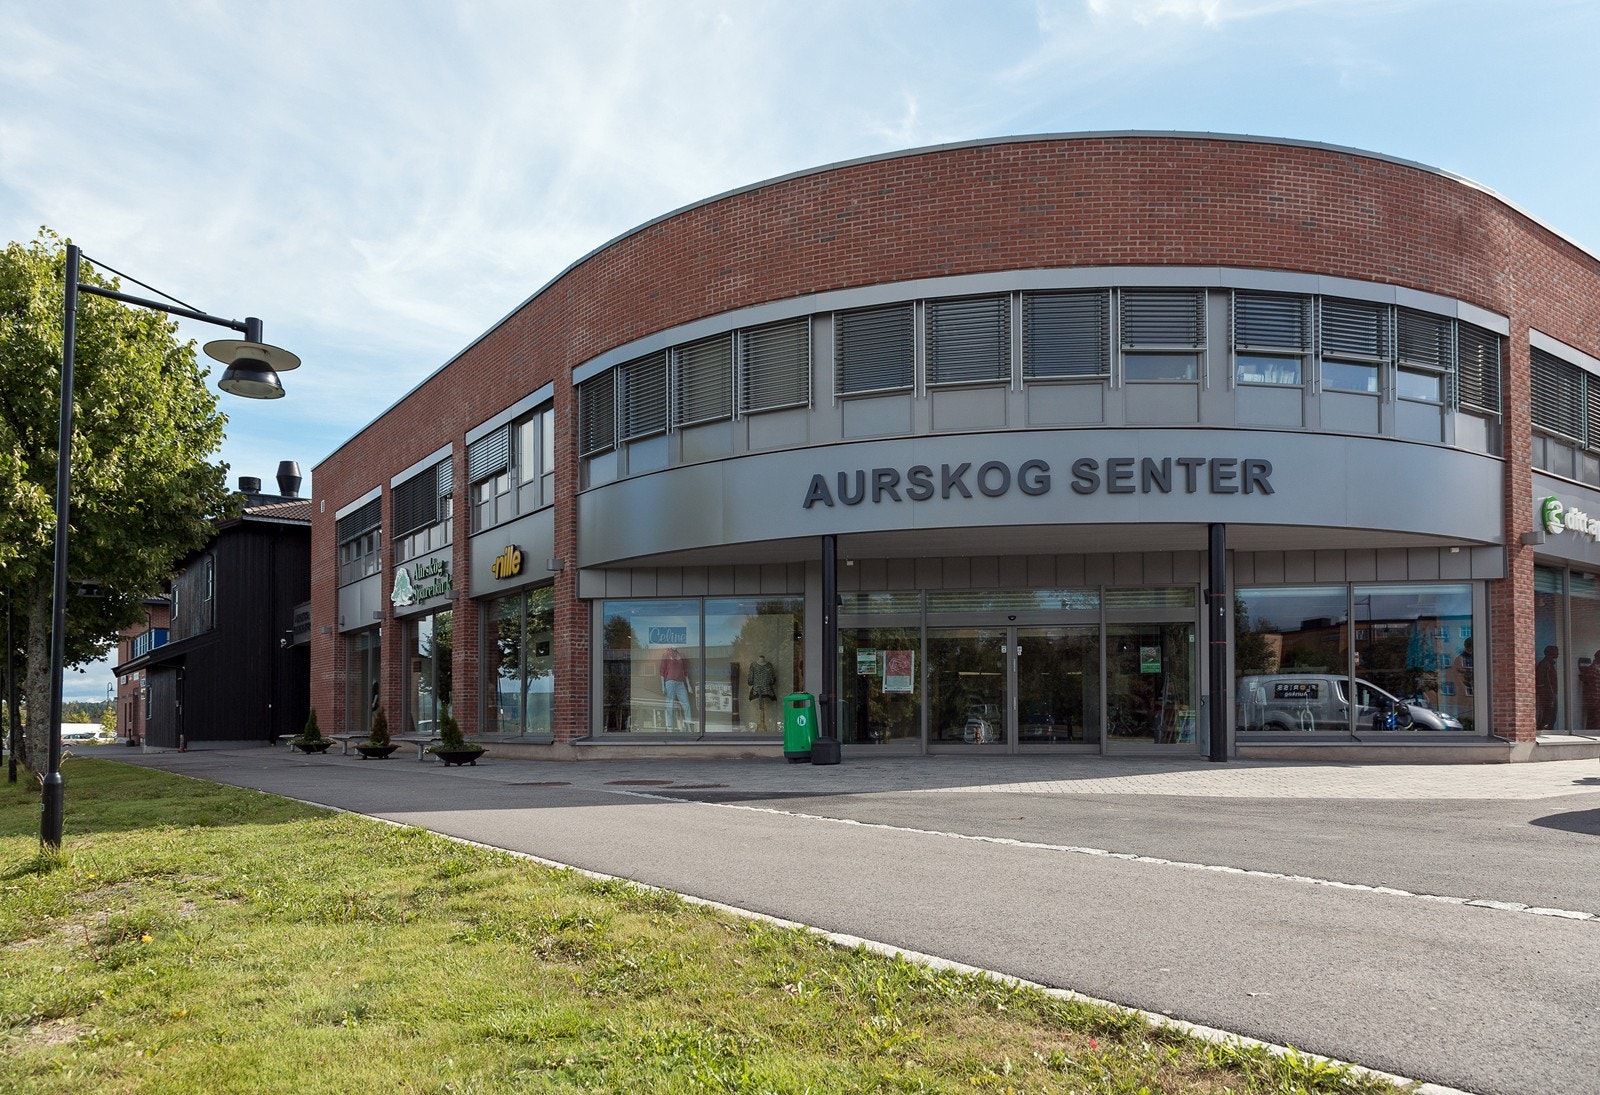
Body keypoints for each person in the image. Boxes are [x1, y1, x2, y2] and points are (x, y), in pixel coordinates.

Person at [658, 647, 694, 731]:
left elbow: (685, 672)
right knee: (669, 705)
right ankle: (670, 727)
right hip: (670, 682)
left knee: (686, 705)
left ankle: (688, 725)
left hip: (680, 683)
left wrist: (688, 685)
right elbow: (662, 671)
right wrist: (663, 686)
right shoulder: (666, 655)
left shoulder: (681, 656)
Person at [746, 653, 778, 731]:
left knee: (761, 709)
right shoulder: (769, 666)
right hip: (768, 692)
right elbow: (773, 680)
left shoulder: (753, 665)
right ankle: (762, 725)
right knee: (761, 709)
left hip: (756, 692)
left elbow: (750, 681)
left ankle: (763, 725)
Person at [1535, 645, 1560, 733]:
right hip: (1547, 695)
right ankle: (1544, 732)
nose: (1558, 653)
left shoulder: (1549, 664)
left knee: (1552, 717)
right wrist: (1548, 696)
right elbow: (1540, 683)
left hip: (1551, 694)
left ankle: (1549, 732)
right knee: (1547, 716)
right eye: (1556, 651)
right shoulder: (1545, 664)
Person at [1582, 648, 1600, 731]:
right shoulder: (1593, 669)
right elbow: (1591, 685)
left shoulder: (1595, 668)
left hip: (1594, 699)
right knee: (1595, 721)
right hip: (1595, 699)